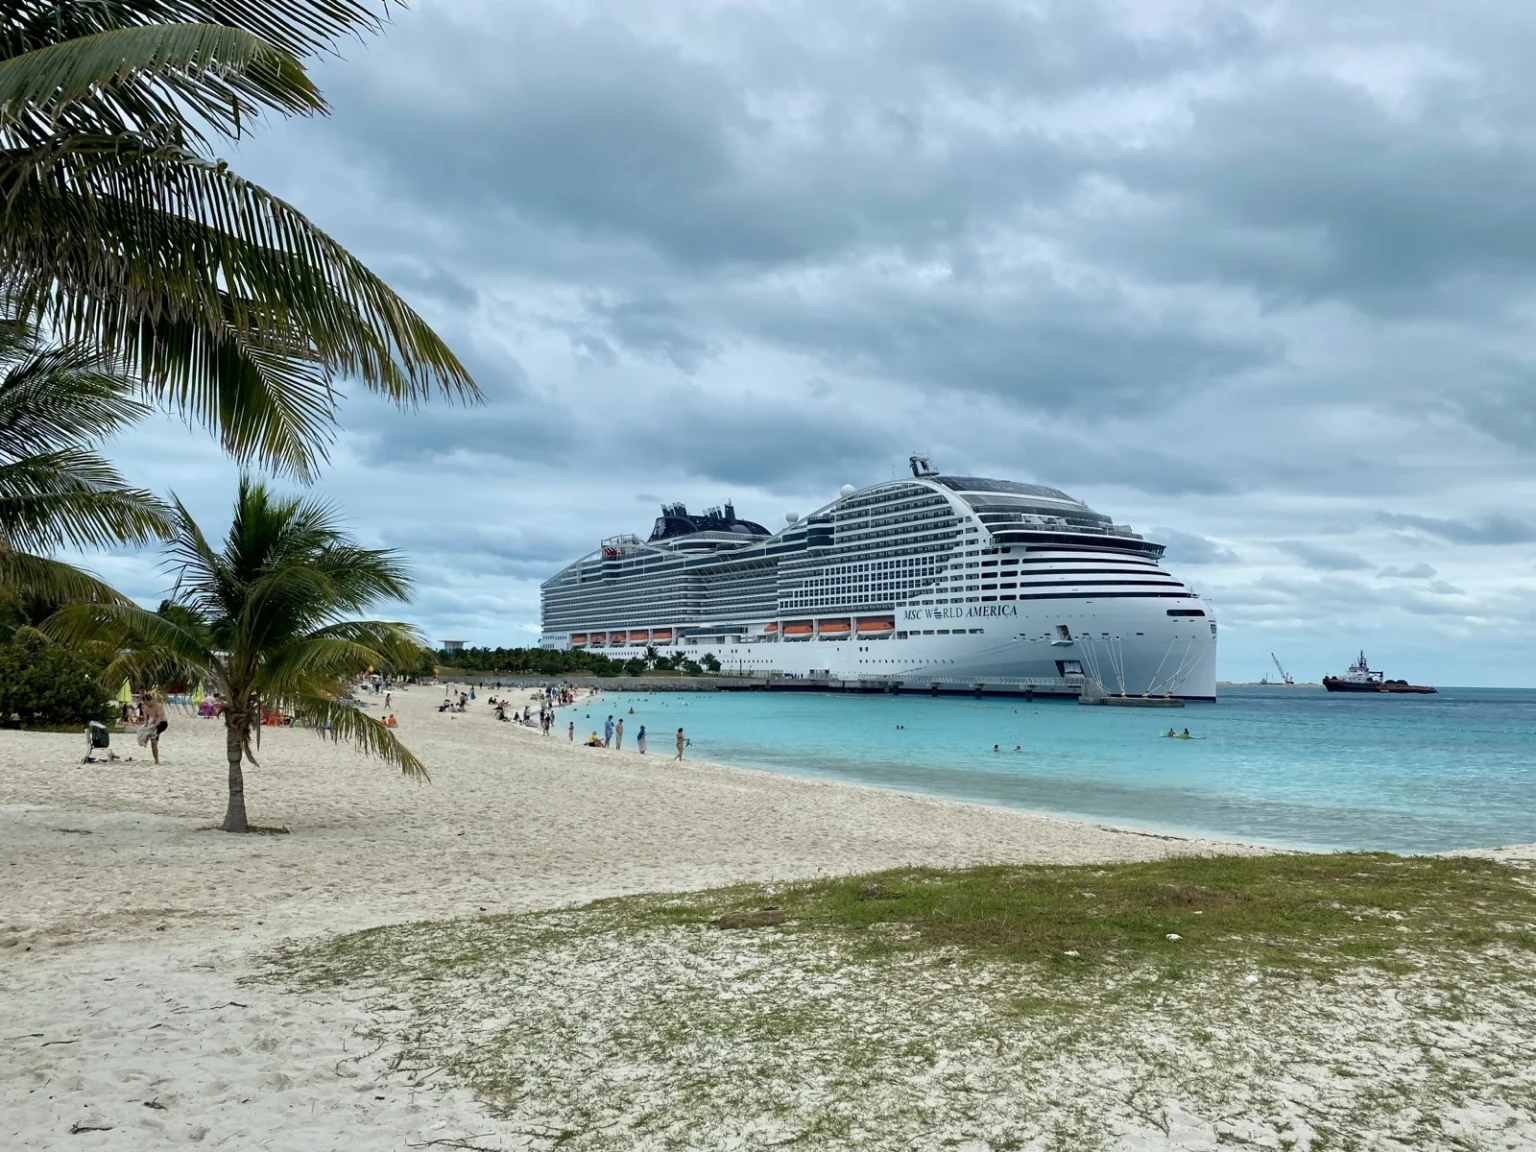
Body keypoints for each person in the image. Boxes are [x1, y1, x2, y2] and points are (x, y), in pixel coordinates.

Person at [140, 693, 168, 765]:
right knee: (153, 742)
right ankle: (156, 760)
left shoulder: (158, 706)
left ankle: (146, 741)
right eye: (144, 703)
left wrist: (154, 726)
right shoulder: (146, 709)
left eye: (147, 702)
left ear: (151, 700)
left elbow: (159, 717)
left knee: (153, 737)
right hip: (154, 724)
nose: (146, 704)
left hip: (162, 723)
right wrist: (145, 727)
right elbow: (146, 720)